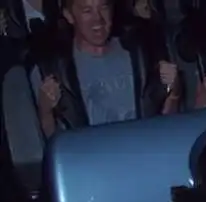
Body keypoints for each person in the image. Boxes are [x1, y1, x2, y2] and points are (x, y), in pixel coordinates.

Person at [31, 0, 180, 138]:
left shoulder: (141, 54)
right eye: (87, 11)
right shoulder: (55, 69)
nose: (98, 19)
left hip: (144, 147)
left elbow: (167, 124)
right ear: (69, 16)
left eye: (103, 7)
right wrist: (46, 110)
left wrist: (174, 92)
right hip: (91, 154)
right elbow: (54, 142)